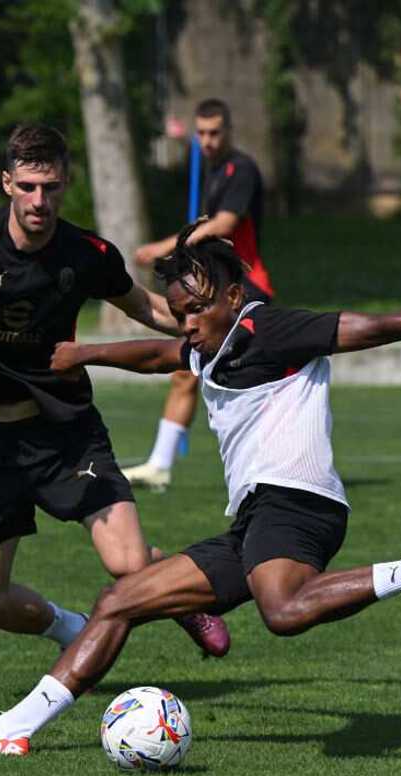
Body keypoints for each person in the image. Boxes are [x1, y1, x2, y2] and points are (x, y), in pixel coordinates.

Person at [0, 224, 401, 755]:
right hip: (254, 518)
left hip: (301, 502)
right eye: (180, 313)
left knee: (282, 611)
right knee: (120, 598)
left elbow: (374, 326)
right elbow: (160, 357)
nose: (189, 322)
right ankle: (14, 730)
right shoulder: (208, 343)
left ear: (234, 293)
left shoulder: (270, 329)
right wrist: (85, 353)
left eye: (200, 307)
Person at [0, 126, 230, 659]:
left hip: (64, 430)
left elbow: (144, 306)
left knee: (128, 564)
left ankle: (185, 599)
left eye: (53, 187)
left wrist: (207, 326)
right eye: (31, 186)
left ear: (66, 184)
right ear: (8, 183)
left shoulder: (85, 252)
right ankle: (70, 629)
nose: (42, 200)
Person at [124, 98, 273, 492]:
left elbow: (224, 224)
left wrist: (165, 248)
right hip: (219, 291)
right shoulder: (214, 173)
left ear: (228, 132)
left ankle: (267, 463)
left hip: (245, 289)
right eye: (201, 133)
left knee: (246, 381)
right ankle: (159, 464)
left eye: (214, 133)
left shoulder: (241, 170)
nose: (207, 141)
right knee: (186, 370)